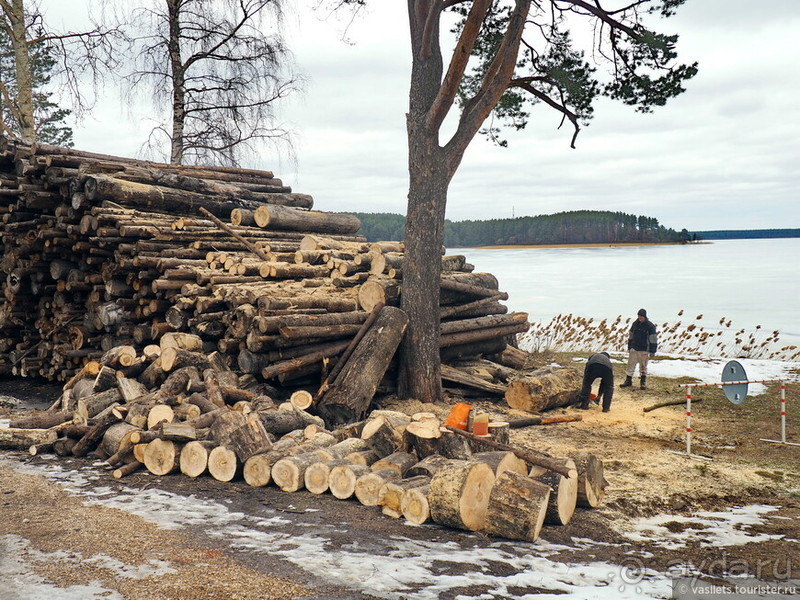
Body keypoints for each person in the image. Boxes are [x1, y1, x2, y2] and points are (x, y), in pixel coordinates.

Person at [620, 308, 658, 390]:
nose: (640, 317)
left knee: (643, 367)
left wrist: (652, 351)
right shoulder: (635, 324)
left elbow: (653, 339)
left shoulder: (650, 326)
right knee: (630, 365)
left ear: (645, 316)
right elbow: (631, 335)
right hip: (634, 348)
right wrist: (629, 346)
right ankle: (628, 381)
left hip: (644, 350)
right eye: (639, 316)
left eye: (641, 316)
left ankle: (643, 382)